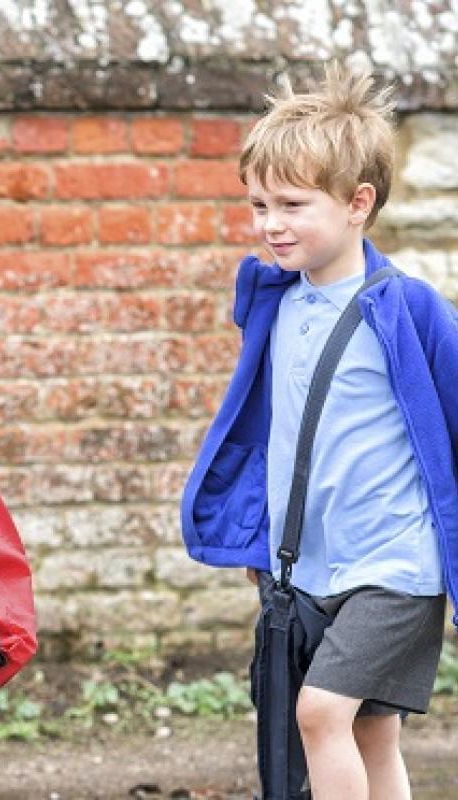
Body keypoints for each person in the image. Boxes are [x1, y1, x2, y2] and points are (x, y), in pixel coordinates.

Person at [181, 64, 458, 800]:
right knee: (371, 731)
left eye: (294, 205)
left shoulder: (407, 310)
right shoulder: (275, 304)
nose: (271, 223)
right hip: (307, 569)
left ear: (358, 203)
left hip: (394, 567)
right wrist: (262, 543)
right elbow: (271, 433)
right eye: (259, 204)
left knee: (320, 714)